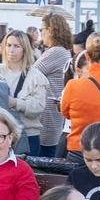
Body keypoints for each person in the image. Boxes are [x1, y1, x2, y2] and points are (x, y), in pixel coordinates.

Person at [33, 12, 76, 147]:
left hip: (48, 114)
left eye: (41, 29)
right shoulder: (61, 51)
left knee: (45, 151)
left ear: (50, 31)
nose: (40, 33)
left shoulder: (56, 52)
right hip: (52, 111)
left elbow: (31, 74)